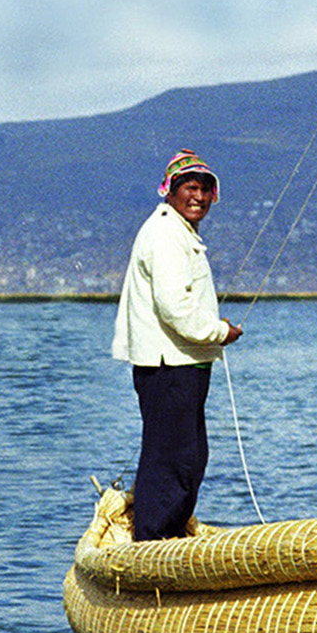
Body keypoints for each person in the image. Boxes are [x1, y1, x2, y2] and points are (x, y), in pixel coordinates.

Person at [111, 149, 244, 540]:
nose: (199, 197)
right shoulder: (167, 233)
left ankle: (166, 535)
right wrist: (220, 332)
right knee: (171, 458)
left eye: (205, 189)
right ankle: (152, 543)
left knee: (188, 456)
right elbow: (175, 306)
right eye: (190, 188)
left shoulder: (177, 230)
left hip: (182, 363)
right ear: (170, 191)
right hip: (170, 366)